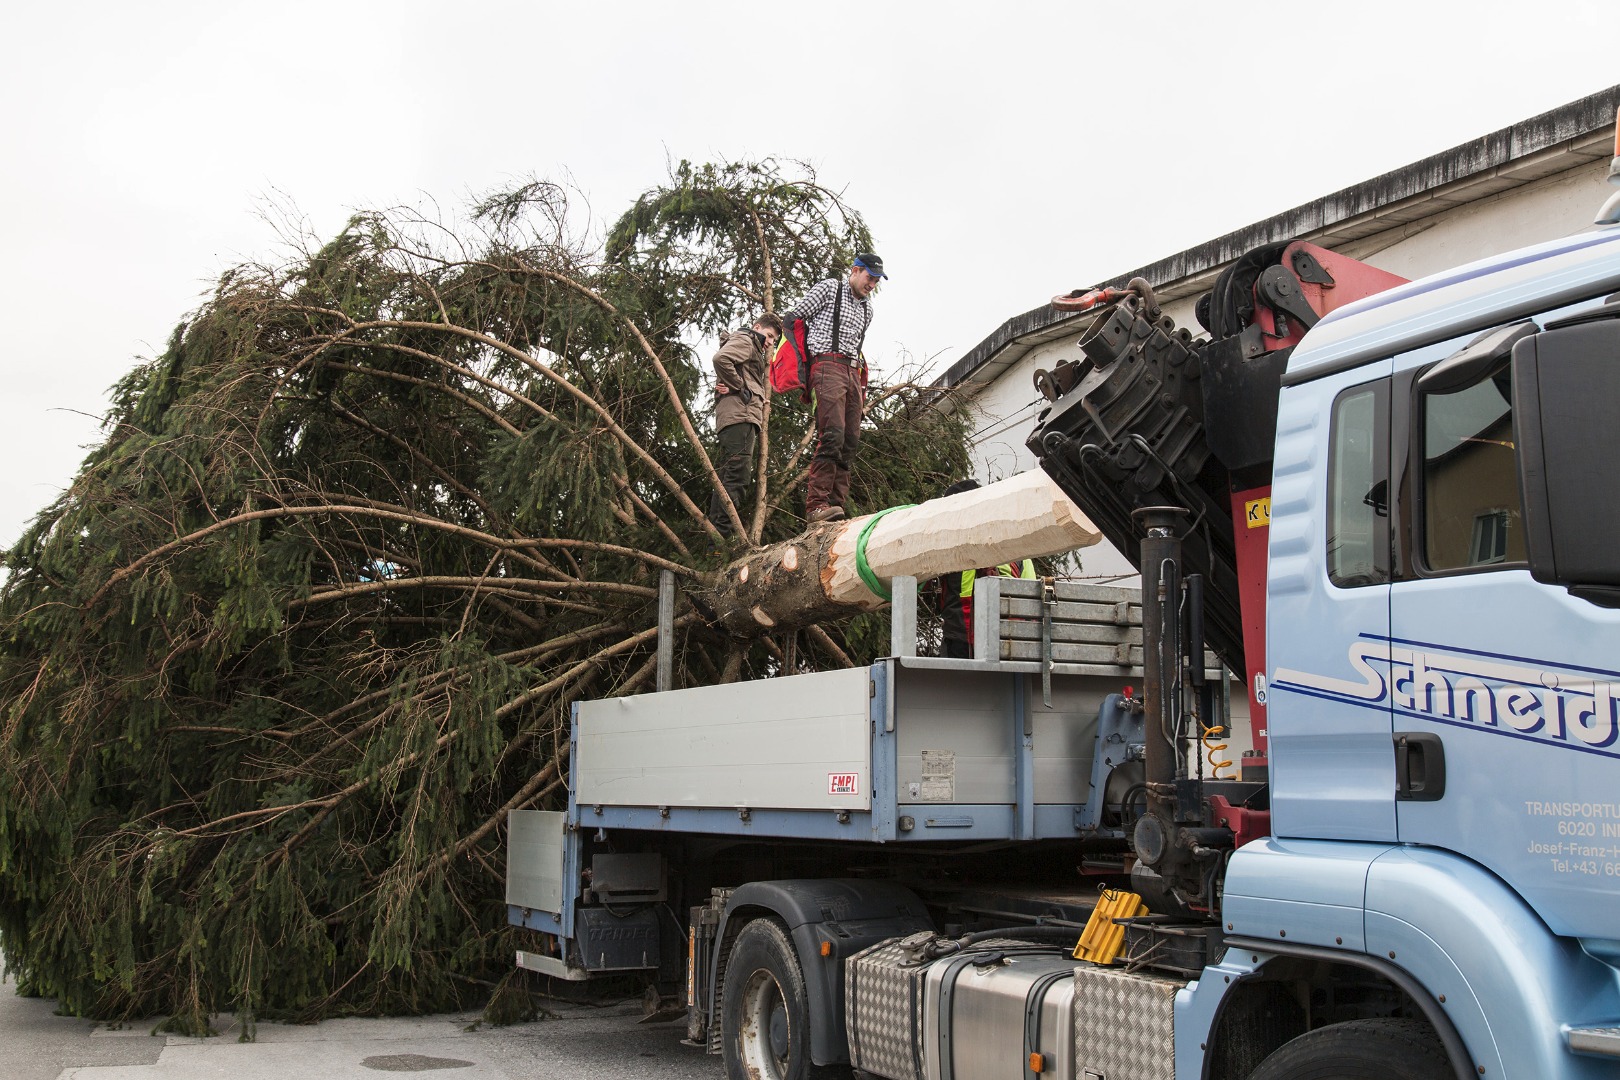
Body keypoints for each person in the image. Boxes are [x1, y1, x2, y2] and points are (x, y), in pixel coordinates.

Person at [785, 253, 885, 524]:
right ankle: (816, 506)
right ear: (855, 270)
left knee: (850, 440)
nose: (872, 285)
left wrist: (859, 382)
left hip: (852, 372)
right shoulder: (830, 288)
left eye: (876, 281)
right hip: (826, 365)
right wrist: (803, 368)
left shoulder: (868, 310)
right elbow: (792, 319)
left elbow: (857, 346)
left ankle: (835, 508)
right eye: (869, 278)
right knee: (832, 434)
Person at [931, 479, 1037, 659]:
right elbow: (1032, 601)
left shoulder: (952, 545)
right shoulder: (1016, 545)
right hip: (1012, 645)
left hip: (963, 644)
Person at [708, 312, 784, 536]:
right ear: (757, 327)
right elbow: (720, 359)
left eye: (773, 340)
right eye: (769, 336)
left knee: (728, 478)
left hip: (739, 416)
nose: (769, 342)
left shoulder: (750, 345)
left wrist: (755, 394)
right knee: (737, 477)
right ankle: (723, 541)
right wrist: (743, 389)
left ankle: (716, 543)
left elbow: (735, 370)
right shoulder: (746, 339)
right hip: (739, 416)